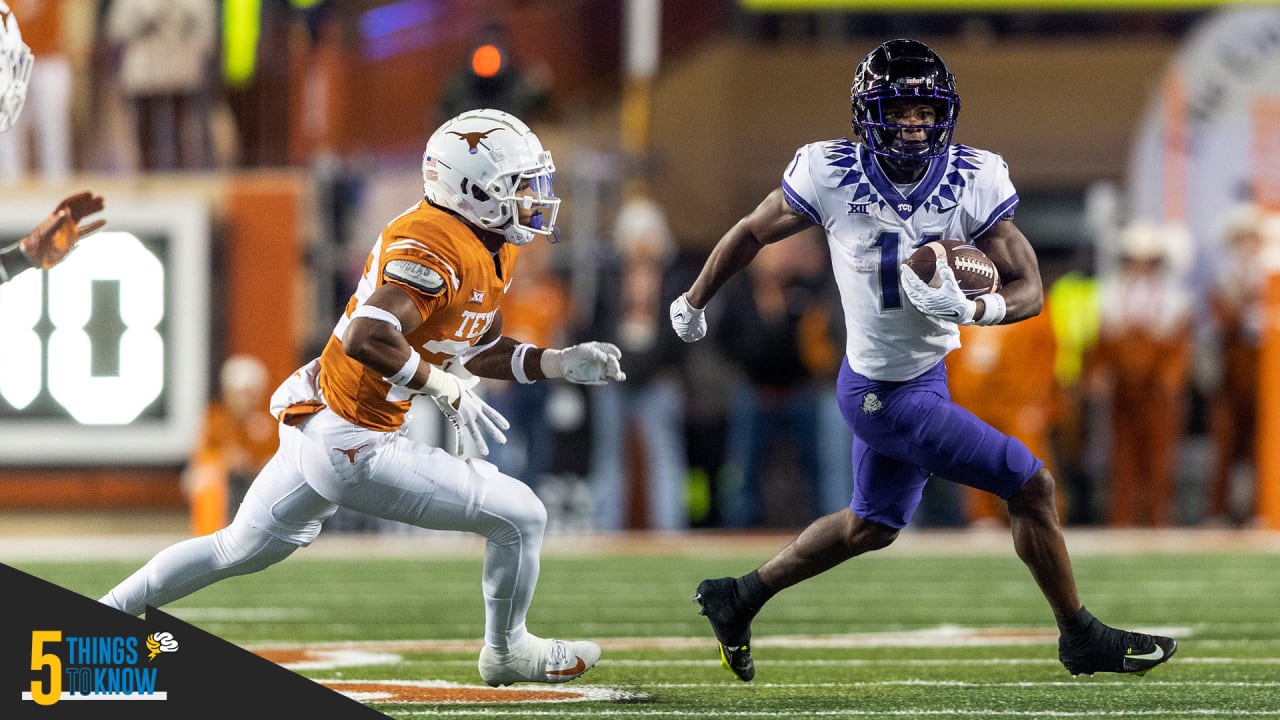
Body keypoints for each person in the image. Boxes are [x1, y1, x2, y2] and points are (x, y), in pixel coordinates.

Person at [668, 39, 1176, 682]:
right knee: (1033, 486)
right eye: (899, 111)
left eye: (924, 112)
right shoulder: (827, 171)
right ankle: (1080, 636)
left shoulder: (973, 176)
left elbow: (1029, 285)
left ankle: (737, 598)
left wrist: (980, 312)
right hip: (883, 391)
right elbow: (750, 232)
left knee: (870, 526)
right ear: (867, 115)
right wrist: (694, 298)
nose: (913, 125)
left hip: (925, 375)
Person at [100, 108, 623, 687]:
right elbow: (368, 335)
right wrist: (441, 385)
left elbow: (466, 343)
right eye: (520, 185)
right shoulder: (435, 243)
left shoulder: (485, 242)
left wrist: (554, 362)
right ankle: (507, 650)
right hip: (355, 440)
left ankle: (105, 617)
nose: (533, 198)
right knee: (521, 514)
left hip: (324, 420)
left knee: (236, 548)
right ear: (475, 189)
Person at [1087, 220, 1192, 527]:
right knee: (1122, 458)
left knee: (1160, 458)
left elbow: (1180, 345)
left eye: (1147, 260)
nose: (1140, 267)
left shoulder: (1175, 298)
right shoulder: (1108, 294)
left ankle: (1158, 520)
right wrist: (1098, 373)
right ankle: (1122, 519)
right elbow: (1100, 344)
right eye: (1133, 259)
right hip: (1123, 386)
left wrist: (1171, 376)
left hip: (1157, 388)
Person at [0, 3, 105, 284]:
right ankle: (12, 185)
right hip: (10, 55)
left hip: (49, 54)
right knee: (9, 129)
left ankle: (56, 185)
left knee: (54, 129)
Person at [185, 354, 278, 536]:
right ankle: (209, 533)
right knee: (207, 476)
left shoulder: (269, 419)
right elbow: (201, 455)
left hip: (256, 479)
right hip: (225, 478)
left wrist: (259, 462)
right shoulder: (215, 417)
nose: (245, 399)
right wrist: (225, 458)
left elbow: (278, 455)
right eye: (240, 393)